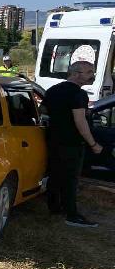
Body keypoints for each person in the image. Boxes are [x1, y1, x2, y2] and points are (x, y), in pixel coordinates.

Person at [42, 61, 102, 228]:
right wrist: (93, 144)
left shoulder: (53, 90)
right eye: (89, 72)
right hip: (72, 143)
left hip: (54, 140)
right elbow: (80, 122)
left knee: (55, 175)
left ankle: (54, 208)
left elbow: (43, 111)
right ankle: (72, 215)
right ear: (76, 74)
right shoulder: (78, 94)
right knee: (70, 179)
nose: (92, 75)